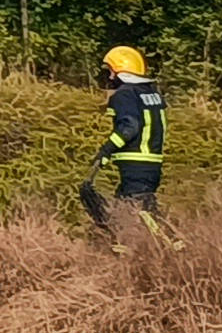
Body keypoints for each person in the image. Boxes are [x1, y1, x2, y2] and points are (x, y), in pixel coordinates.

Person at [75, 45, 181, 250]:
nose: (109, 76)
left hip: (135, 163)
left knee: (140, 209)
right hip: (152, 163)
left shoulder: (124, 95)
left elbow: (129, 127)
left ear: (121, 71)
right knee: (124, 207)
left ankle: (174, 244)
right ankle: (124, 250)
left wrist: (106, 150)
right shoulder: (151, 92)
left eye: (111, 71)